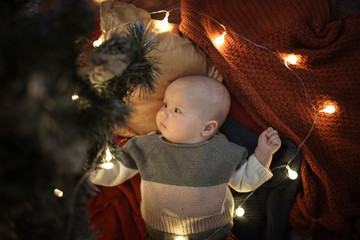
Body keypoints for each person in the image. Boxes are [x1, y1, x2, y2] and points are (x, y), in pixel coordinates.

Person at [89, 75, 281, 240]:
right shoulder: (147, 146)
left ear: (207, 128)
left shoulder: (223, 151)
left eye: (176, 110)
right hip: (160, 233)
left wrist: (263, 153)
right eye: (165, 104)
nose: (164, 112)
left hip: (216, 233)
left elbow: (244, 182)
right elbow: (113, 170)